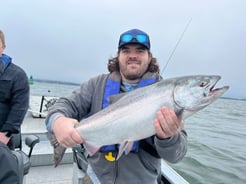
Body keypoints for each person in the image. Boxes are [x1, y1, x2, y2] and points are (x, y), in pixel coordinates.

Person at [46, 28, 187, 184]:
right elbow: (64, 105)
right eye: (126, 51)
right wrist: (57, 121)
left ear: (149, 57)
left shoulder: (165, 94)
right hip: (95, 178)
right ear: (118, 56)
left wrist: (169, 138)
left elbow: (176, 156)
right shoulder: (96, 85)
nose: (133, 55)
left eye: (140, 51)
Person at [0, 29, 30, 183]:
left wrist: (4, 136)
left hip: (2, 141)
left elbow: (19, 108)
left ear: (3, 46)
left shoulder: (17, 75)